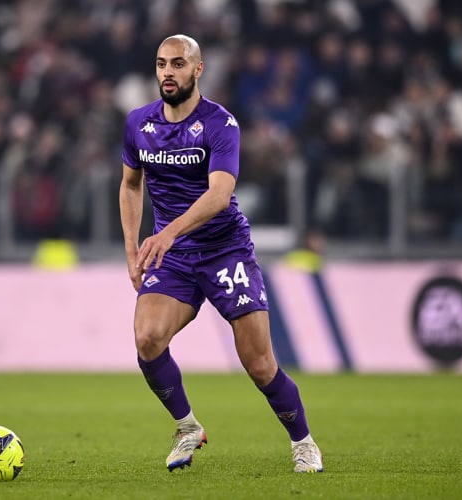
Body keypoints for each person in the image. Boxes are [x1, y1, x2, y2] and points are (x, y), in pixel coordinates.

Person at [119, 34, 324, 473]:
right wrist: (132, 247)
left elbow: (220, 194)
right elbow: (131, 184)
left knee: (258, 363)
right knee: (147, 338)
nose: (167, 73)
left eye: (177, 64)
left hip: (224, 250)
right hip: (172, 255)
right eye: (160, 64)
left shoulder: (221, 124)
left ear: (198, 69)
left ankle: (303, 441)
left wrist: (166, 233)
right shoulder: (139, 123)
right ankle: (187, 426)